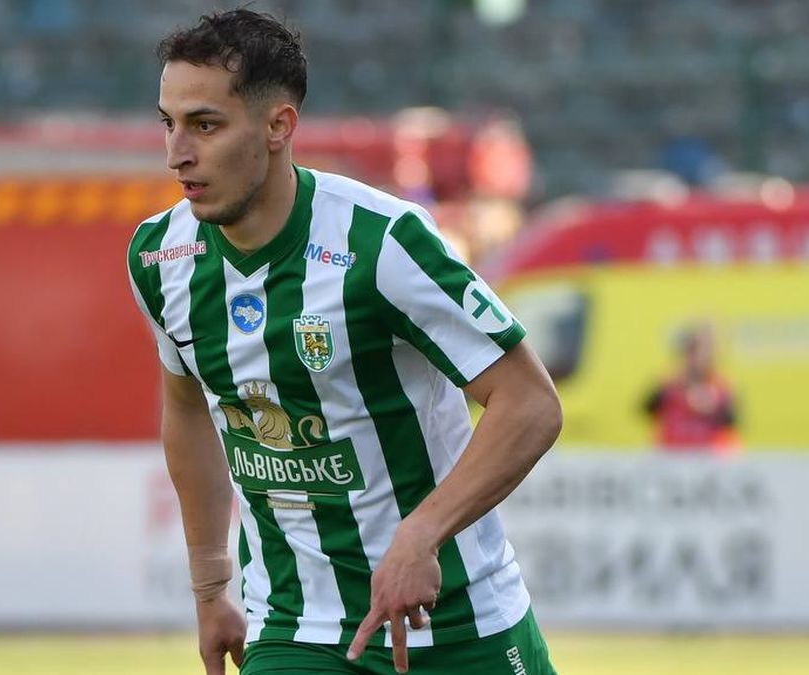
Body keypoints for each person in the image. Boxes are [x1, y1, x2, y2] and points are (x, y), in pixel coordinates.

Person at [127, 10, 562, 675]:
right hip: (294, 627)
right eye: (169, 123)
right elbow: (188, 407)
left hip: (457, 621)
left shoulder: (384, 243)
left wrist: (422, 532)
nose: (177, 152)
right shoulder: (161, 257)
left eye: (205, 125)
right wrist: (212, 588)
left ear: (278, 126)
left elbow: (530, 403)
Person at [643, 322, 739, 452]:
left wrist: (711, 408)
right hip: (673, 456)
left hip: (711, 457)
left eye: (702, 351)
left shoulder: (721, 386)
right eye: (692, 350)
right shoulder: (670, 383)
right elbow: (646, 408)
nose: (697, 357)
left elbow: (732, 421)